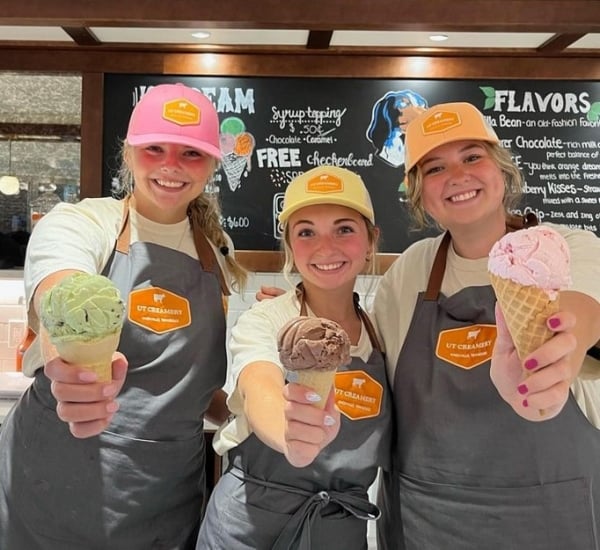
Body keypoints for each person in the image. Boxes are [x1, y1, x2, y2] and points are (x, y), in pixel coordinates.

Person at [0, 83, 247, 550]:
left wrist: (250, 409)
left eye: (191, 153)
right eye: (154, 148)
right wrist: (68, 367)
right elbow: (62, 289)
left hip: (163, 497)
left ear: (213, 164)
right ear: (129, 154)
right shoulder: (83, 222)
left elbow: (194, 386)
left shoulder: (216, 256)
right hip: (55, 481)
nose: (171, 166)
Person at [374, 101, 600, 550]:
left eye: (472, 157)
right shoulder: (408, 272)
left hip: (552, 521)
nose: (457, 176)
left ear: (502, 170)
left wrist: (551, 367)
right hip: (427, 522)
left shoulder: (566, 247)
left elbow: (583, 314)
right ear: (420, 193)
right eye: (435, 167)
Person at [196, 166, 393, 549]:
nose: (326, 247)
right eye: (306, 232)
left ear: (371, 240)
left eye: (344, 229)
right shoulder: (266, 319)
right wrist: (291, 435)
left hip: (339, 532)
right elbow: (259, 385)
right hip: (250, 531)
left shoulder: (383, 332)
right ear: (289, 244)